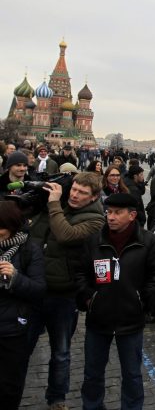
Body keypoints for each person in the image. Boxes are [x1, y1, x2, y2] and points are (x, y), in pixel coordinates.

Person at [74, 193, 155, 410]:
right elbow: (79, 272)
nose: (111, 217)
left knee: (132, 374)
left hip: (131, 320)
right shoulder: (94, 241)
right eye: (109, 212)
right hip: (98, 319)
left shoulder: (148, 242)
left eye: (117, 212)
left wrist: (144, 300)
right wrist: (89, 297)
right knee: (92, 374)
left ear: (132, 215)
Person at [27, 171, 106, 410]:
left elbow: (65, 234)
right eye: (74, 189)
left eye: (82, 193)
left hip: (63, 294)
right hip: (34, 288)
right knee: (19, 347)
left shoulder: (95, 219)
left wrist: (53, 205)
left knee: (60, 352)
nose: (74, 195)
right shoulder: (57, 205)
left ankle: (57, 399)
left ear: (93, 198)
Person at [0, 201, 45, 409]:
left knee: (9, 388)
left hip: (12, 331)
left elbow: (38, 290)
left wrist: (15, 278)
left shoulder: (28, 250)